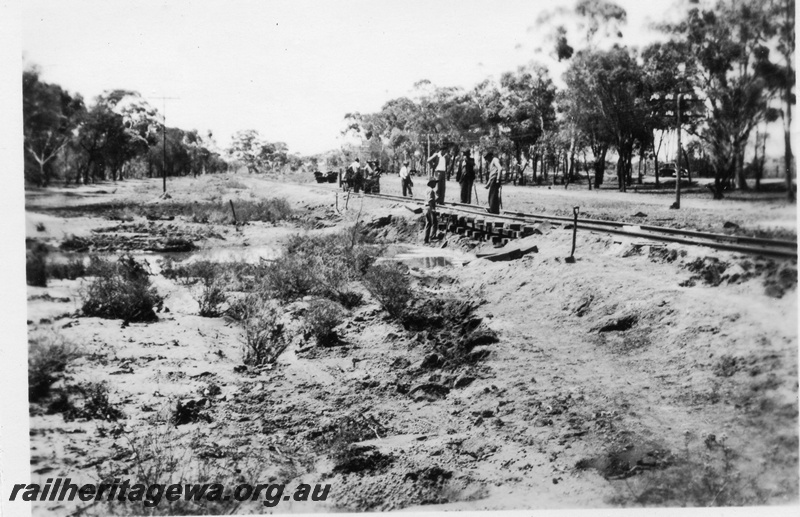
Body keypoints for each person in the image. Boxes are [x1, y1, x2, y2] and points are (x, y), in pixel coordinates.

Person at [424, 178, 438, 244]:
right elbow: (430, 200)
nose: (435, 184)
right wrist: (433, 209)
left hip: (426, 207)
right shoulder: (431, 191)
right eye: (434, 183)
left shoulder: (427, 190)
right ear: (431, 183)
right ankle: (432, 237)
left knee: (428, 224)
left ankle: (426, 240)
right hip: (430, 207)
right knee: (434, 222)